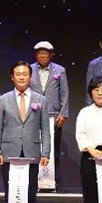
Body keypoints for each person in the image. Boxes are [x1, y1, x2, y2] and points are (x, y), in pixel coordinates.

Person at [0, 61, 50, 203]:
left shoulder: (40, 100)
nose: (22, 77)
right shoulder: (3, 100)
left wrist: (46, 152)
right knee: (10, 196)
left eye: (25, 74)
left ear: (30, 77)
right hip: (9, 153)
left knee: (31, 196)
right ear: (12, 77)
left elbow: (45, 129)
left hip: (31, 153)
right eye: (18, 74)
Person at [30, 41, 69, 187]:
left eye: (45, 53)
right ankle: (34, 179)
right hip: (33, 114)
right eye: (40, 53)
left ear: (51, 55)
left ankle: (53, 179)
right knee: (33, 146)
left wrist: (63, 113)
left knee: (53, 148)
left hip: (54, 115)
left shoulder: (60, 70)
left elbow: (64, 93)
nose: (42, 55)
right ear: (36, 55)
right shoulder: (29, 69)